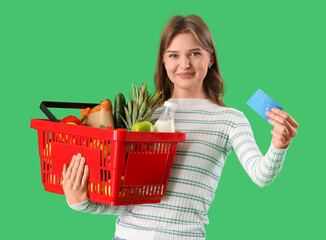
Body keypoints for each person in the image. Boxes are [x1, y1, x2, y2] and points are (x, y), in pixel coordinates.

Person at [62, 15, 299, 240]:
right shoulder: (146, 117)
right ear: (163, 61)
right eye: (173, 55)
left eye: (195, 53)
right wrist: (82, 202)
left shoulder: (229, 119)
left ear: (211, 58)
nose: (184, 64)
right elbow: (130, 202)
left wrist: (279, 145)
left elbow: (261, 175)